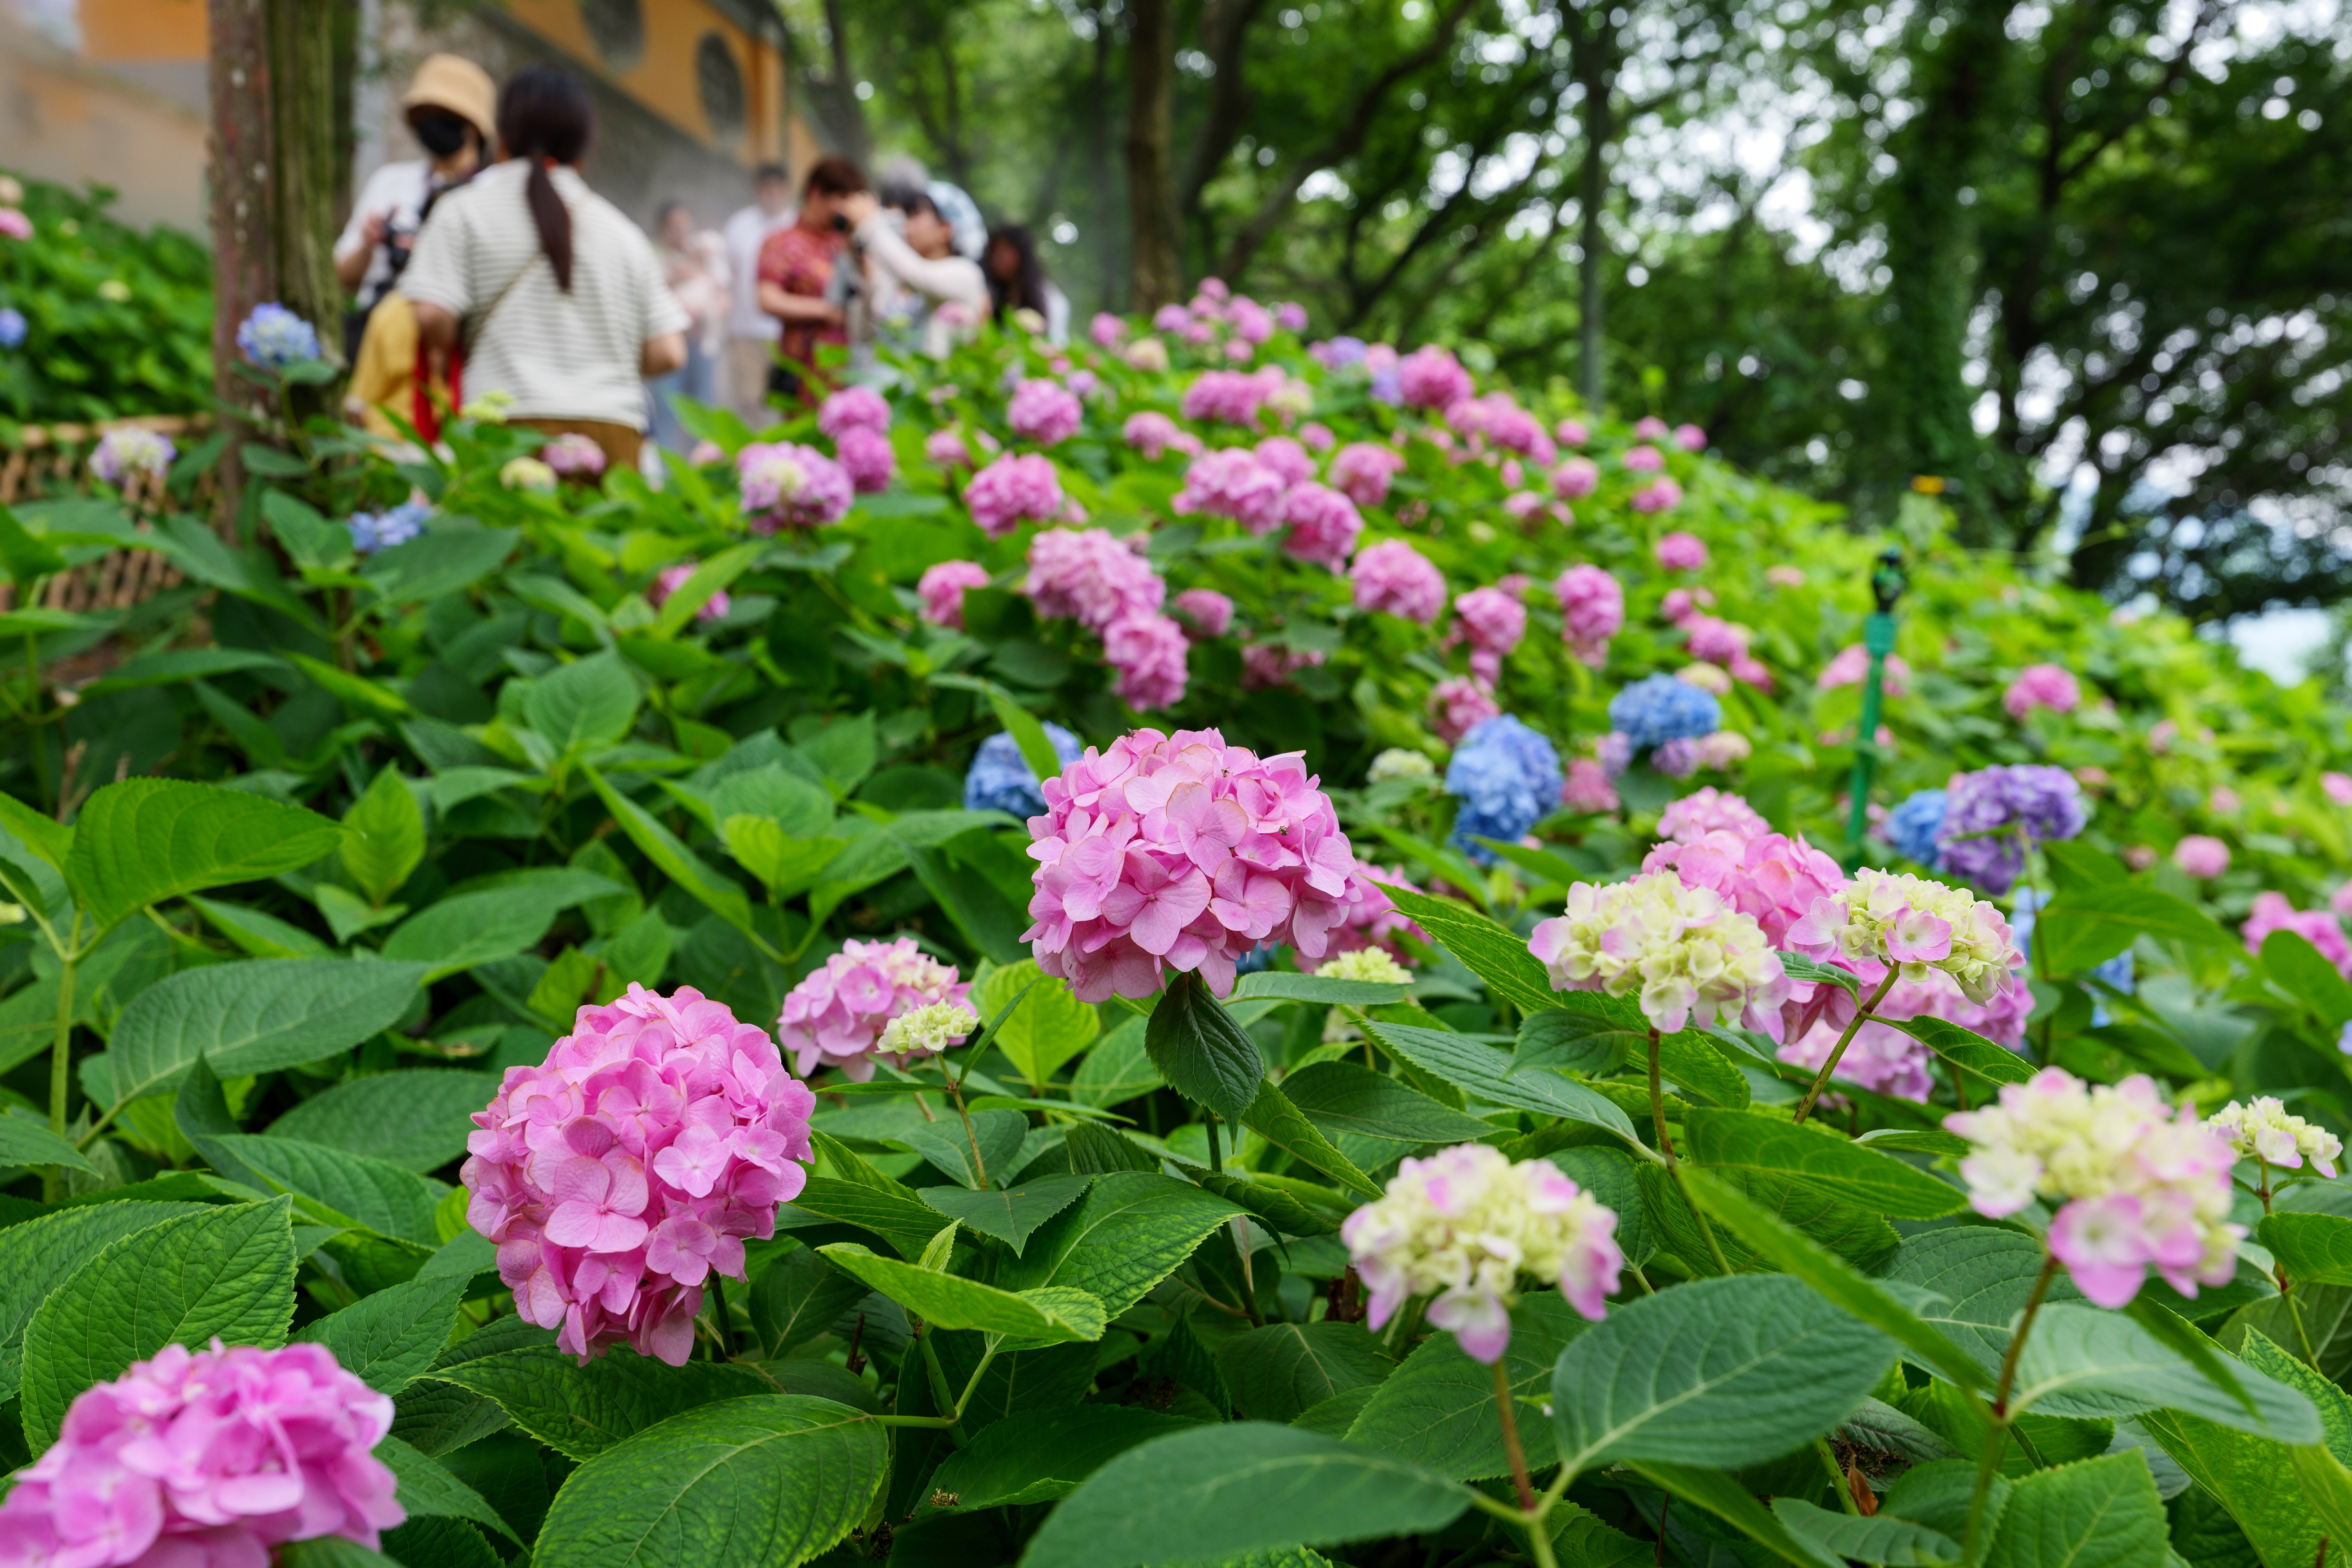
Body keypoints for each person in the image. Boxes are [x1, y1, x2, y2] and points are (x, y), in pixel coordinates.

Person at [405, 66, 687, 471]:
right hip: (612, 436)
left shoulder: (463, 210)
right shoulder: (624, 233)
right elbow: (669, 352)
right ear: (584, 146)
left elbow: (432, 315)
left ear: (503, 136)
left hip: (504, 429)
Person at [333, 54, 497, 362]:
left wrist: (430, 258)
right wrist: (370, 243)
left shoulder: (494, 193)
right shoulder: (391, 181)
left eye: (445, 116)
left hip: (455, 352)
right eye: (426, 115)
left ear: (473, 126)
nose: (432, 125)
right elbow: (341, 277)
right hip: (375, 343)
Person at [755, 156, 864, 401]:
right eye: (844, 200)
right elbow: (768, 299)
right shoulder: (783, 242)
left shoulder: (845, 243)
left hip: (852, 363)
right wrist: (825, 311)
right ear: (816, 193)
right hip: (804, 364)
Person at [844, 183, 989, 361]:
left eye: (915, 215)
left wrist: (870, 224)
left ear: (946, 229)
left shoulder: (967, 273)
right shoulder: (903, 278)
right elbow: (864, 335)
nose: (906, 226)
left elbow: (918, 274)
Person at [648, 200, 730, 452]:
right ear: (662, 229)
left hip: (702, 343)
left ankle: (704, 468)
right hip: (670, 343)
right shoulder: (653, 256)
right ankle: (667, 473)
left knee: (703, 409)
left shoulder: (707, 253)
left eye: (685, 226)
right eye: (673, 227)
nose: (680, 232)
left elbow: (725, 292)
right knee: (667, 409)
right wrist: (674, 278)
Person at [719, 163, 794, 426]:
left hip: (785, 333)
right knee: (749, 401)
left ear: (787, 190)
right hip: (746, 330)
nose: (771, 194)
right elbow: (724, 276)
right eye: (766, 189)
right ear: (757, 190)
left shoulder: (795, 226)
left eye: (777, 189)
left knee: (783, 403)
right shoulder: (740, 224)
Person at [985, 225, 1070, 346]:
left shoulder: (1049, 297)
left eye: (1004, 251)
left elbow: (1058, 342)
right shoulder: (993, 295)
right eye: (994, 252)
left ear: (1021, 254)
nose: (996, 259)